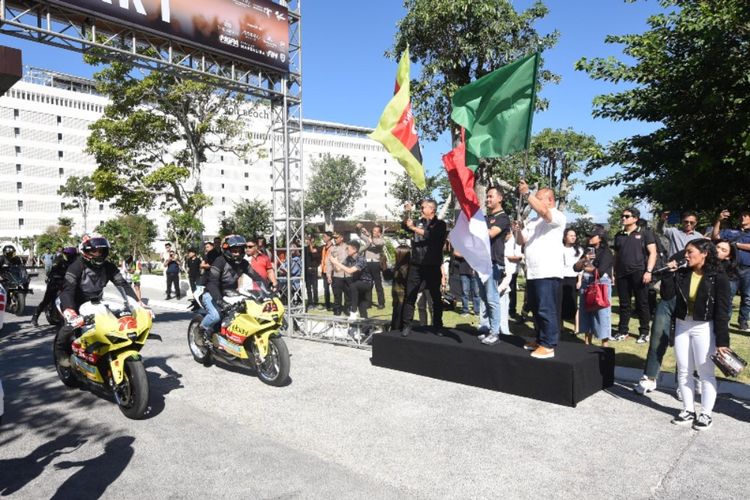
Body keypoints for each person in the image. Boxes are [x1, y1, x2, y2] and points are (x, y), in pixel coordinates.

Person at [670, 239, 731, 430]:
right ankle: (688, 410)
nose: (685, 255)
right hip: (682, 324)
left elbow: (722, 311)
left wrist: (722, 341)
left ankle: (705, 413)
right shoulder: (681, 273)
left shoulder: (718, 277)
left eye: (690, 252)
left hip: (704, 326)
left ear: (704, 253)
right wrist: (668, 274)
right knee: (684, 369)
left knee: (705, 372)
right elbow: (665, 295)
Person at [56, 236, 140, 367]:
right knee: (70, 327)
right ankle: (60, 352)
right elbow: (68, 290)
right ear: (85, 252)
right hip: (73, 301)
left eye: (101, 251)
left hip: (94, 302)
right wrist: (70, 311)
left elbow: (123, 285)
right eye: (94, 251)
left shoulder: (109, 266)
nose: (98, 254)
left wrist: (136, 303)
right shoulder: (76, 266)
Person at [513, 182, 566, 359]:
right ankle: (541, 339)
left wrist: (527, 194)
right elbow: (521, 241)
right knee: (536, 308)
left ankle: (549, 344)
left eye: (539, 198)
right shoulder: (533, 221)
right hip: (533, 271)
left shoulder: (557, 216)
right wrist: (518, 230)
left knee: (546, 308)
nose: (534, 201)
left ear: (550, 200)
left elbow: (544, 212)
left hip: (548, 271)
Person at [399, 199, 447, 336]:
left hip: (432, 265)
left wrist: (414, 228)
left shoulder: (440, 224)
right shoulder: (417, 222)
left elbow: (431, 236)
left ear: (432, 209)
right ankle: (407, 325)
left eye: (423, 207)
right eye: (420, 207)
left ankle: (438, 325)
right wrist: (406, 213)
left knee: (436, 297)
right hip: (416, 265)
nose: (420, 209)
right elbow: (404, 226)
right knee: (410, 295)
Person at [198, 235, 257, 340]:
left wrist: (269, 289)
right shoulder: (219, 261)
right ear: (227, 250)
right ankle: (201, 330)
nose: (237, 253)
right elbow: (212, 283)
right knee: (216, 316)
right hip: (211, 294)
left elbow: (257, 277)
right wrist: (220, 301)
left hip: (230, 293)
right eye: (234, 250)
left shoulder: (243, 263)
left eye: (239, 250)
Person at [613, 207, 657, 343]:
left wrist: (648, 271)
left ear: (635, 219)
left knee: (642, 303)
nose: (623, 218)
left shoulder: (645, 233)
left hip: (639, 272)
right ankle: (622, 331)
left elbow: (653, 253)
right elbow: (616, 255)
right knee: (624, 304)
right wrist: (613, 272)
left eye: (627, 216)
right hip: (621, 274)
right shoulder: (618, 235)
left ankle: (644, 332)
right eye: (623, 216)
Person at [476, 186, 511, 346]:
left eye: (491, 196)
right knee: (484, 298)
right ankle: (489, 328)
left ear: (500, 198)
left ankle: (495, 332)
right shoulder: (485, 217)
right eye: (487, 197)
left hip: (494, 263)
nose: (488, 199)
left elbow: (490, 234)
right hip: (481, 262)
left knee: (492, 299)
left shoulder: (503, 217)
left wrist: (475, 229)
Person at [711, 209, 750, 331]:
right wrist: (719, 220)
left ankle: (743, 322)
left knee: (747, 298)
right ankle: (725, 320)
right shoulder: (731, 231)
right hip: (731, 269)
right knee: (727, 296)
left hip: (748, 269)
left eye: (745, 215)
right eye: (741, 215)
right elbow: (715, 237)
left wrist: (735, 245)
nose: (742, 217)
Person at [574, 228, 614, 347]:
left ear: (600, 238)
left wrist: (587, 266)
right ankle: (587, 343)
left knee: (602, 313)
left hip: (600, 284)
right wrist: (584, 259)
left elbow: (600, 271)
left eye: (592, 236)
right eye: (589, 236)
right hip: (587, 282)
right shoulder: (587, 251)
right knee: (586, 312)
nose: (589, 238)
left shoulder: (606, 252)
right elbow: (576, 268)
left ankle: (604, 344)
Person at [31, 247, 78, 327]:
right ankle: (35, 317)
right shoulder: (59, 260)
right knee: (47, 299)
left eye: (72, 255)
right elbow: (53, 271)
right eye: (68, 255)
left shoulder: (76, 262)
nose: (70, 256)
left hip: (69, 283)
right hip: (57, 282)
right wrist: (55, 277)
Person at [329, 240, 373, 319]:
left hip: (366, 283)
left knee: (353, 285)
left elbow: (350, 271)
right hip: (357, 284)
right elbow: (338, 269)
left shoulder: (361, 259)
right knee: (362, 306)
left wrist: (337, 263)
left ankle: (353, 311)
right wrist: (334, 262)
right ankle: (366, 328)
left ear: (355, 250)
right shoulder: (348, 258)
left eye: (348, 249)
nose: (346, 250)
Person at [357, 223, 386, 309]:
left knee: (378, 284)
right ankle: (368, 302)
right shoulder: (369, 238)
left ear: (380, 233)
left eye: (376, 231)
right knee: (367, 284)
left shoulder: (381, 240)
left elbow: (376, 243)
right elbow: (359, 234)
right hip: (367, 263)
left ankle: (381, 303)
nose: (374, 232)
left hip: (375, 264)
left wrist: (368, 235)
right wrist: (358, 228)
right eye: (373, 231)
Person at [561, 228, 583, 333]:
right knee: (560, 302)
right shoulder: (559, 248)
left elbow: (581, 267)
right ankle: (560, 326)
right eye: (570, 235)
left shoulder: (579, 250)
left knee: (574, 303)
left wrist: (579, 280)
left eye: (574, 235)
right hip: (561, 278)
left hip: (573, 279)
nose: (573, 237)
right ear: (565, 237)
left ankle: (576, 327)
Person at [325, 233, 349, 316]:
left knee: (348, 294)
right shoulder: (332, 249)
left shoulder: (348, 247)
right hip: (337, 275)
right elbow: (328, 262)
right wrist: (328, 275)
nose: (335, 239)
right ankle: (337, 309)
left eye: (337, 238)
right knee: (337, 294)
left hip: (348, 274)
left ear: (342, 238)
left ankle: (347, 309)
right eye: (334, 238)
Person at [716, 239, 740, 318]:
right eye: (717, 247)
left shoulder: (727, 274)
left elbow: (725, 303)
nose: (717, 250)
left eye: (723, 250)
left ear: (728, 256)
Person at [390, 245, 411, 331]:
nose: (395, 256)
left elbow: (404, 279)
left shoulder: (406, 268)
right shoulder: (398, 266)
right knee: (395, 317)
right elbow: (388, 276)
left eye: (396, 254)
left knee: (398, 319)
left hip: (402, 299)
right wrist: (383, 266)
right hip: (396, 298)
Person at [454, 249, 480, 317]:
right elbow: (455, 252)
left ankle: (477, 311)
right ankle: (465, 311)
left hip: (475, 270)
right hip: (463, 271)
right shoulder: (462, 243)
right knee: (464, 292)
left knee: (476, 292)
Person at [304, 235, 322, 310]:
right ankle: (310, 302)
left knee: (315, 287)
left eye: (308, 239)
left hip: (314, 270)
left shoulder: (318, 248)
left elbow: (313, 252)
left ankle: (316, 302)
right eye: (306, 239)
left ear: (313, 239)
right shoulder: (305, 249)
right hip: (306, 270)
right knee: (308, 288)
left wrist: (310, 244)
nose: (307, 240)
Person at [319, 232, 334, 311]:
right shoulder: (324, 247)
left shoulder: (333, 248)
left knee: (334, 289)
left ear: (329, 237)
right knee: (326, 289)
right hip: (324, 270)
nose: (323, 238)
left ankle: (336, 305)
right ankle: (327, 305)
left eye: (324, 236)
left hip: (331, 271)